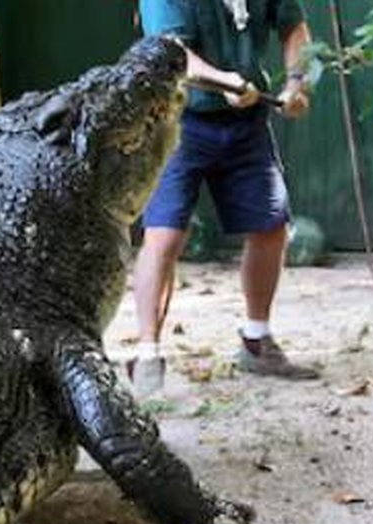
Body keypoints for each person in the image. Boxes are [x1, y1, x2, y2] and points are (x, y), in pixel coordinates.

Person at [130, 0, 319, 395]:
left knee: (270, 227)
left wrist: (296, 84)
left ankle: (256, 340)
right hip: (177, 119)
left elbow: (295, 28)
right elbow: (173, 52)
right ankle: (148, 354)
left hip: (246, 122)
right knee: (164, 236)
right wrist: (226, 82)